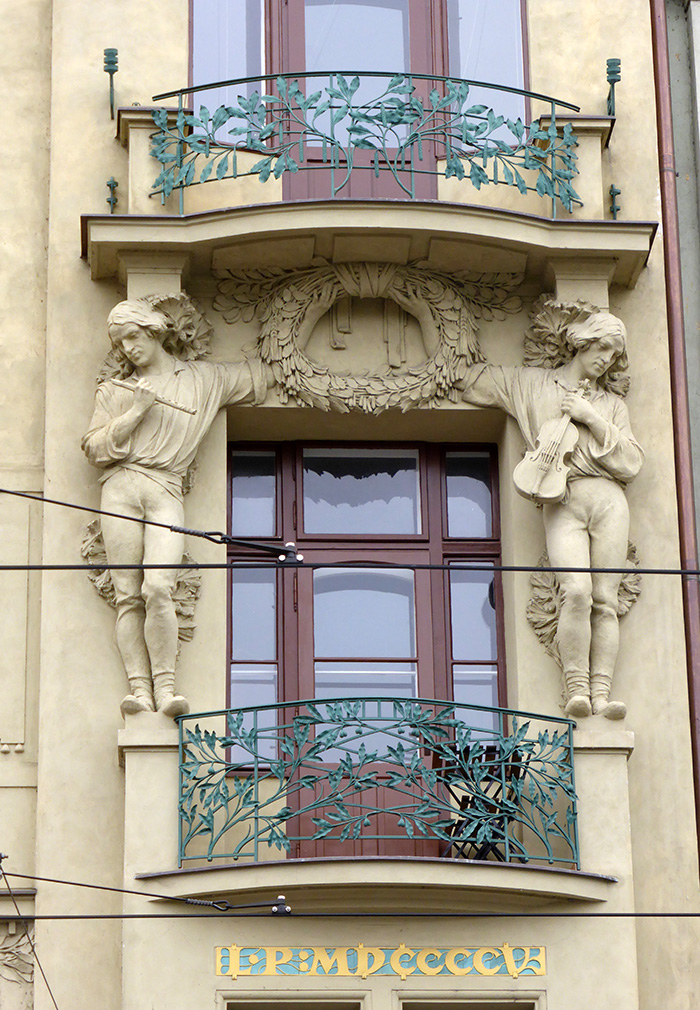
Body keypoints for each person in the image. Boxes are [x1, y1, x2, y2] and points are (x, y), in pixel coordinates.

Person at [394, 291, 644, 720]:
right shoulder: (531, 385)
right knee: (578, 591)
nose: (607, 360)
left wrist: (590, 416)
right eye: (603, 348)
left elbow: (632, 462)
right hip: (561, 498)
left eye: (615, 355)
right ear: (583, 343)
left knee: (606, 598)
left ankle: (602, 694)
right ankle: (577, 687)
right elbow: (471, 380)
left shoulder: (611, 405)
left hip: (609, 500)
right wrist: (432, 330)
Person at [82, 298, 270, 718]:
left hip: (166, 486)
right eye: (119, 343)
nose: (127, 348)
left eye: (132, 336)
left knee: (159, 587)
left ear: (153, 331)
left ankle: (166, 687)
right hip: (120, 488)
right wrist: (136, 411)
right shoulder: (116, 391)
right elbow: (95, 449)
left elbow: (264, 376)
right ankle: (140, 691)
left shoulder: (202, 381)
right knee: (128, 595)